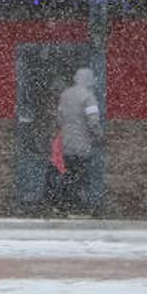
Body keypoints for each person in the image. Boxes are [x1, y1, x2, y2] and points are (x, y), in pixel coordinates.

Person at [55, 66, 102, 214]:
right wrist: (99, 135)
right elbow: (93, 121)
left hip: (67, 141)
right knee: (82, 175)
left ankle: (64, 204)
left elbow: (59, 118)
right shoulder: (88, 97)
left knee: (69, 172)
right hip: (83, 142)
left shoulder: (65, 95)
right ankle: (80, 206)